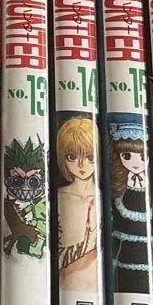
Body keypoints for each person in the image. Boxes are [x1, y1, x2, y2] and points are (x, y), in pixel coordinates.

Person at [55, 116, 98, 290]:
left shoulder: (104, 199)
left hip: (97, 281)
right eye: (72, 156)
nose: (81, 164)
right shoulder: (59, 196)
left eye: (89, 157)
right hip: (66, 282)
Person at [108, 123, 151, 293]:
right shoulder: (119, 185)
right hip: (123, 247)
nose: (135, 163)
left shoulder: (151, 185)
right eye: (127, 156)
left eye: (142, 156)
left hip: (147, 247)